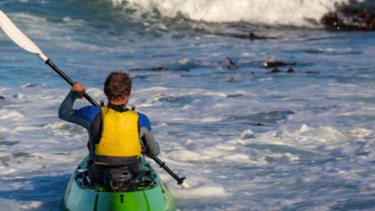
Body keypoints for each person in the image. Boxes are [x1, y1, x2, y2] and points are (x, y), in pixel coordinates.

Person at [58, 71, 160, 191]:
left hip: (99, 177)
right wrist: (146, 150)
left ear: (105, 91)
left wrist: (74, 93)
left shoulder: (91, 114)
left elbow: (63, 112)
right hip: (132, 177)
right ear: (129, 92)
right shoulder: (141, 119)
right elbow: (154, 152)